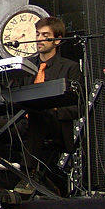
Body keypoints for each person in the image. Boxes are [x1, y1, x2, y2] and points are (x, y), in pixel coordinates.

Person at [19, 16, 82, 194]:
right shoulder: (26, 66)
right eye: (37, 34)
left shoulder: (70, 67)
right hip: (23, 122)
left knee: (39, 114)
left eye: (45, 35)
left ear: (57, 40)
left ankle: (28, 177)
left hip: (55, 126)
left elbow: (79, 106)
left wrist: (52, 107)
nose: (39, 39)